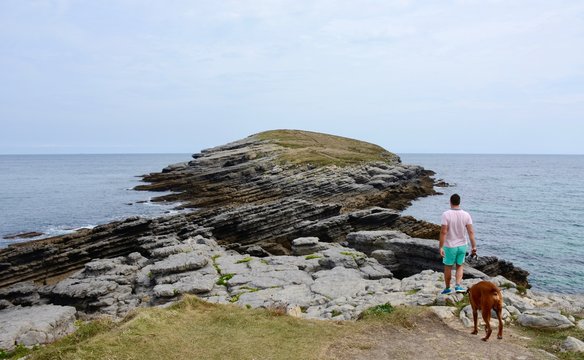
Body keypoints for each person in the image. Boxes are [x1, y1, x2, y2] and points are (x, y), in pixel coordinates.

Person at [439, 193, 477, 294]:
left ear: (450, 202)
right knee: (460, 266)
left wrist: (441, 246)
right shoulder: (466, 215)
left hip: (450, 246)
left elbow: (443, 232)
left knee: (448, 267)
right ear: (459, 202)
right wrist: (474, 246)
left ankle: (447, 288)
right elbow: (471, 232)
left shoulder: (446, 214)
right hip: (462, 245)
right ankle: (458, 286)